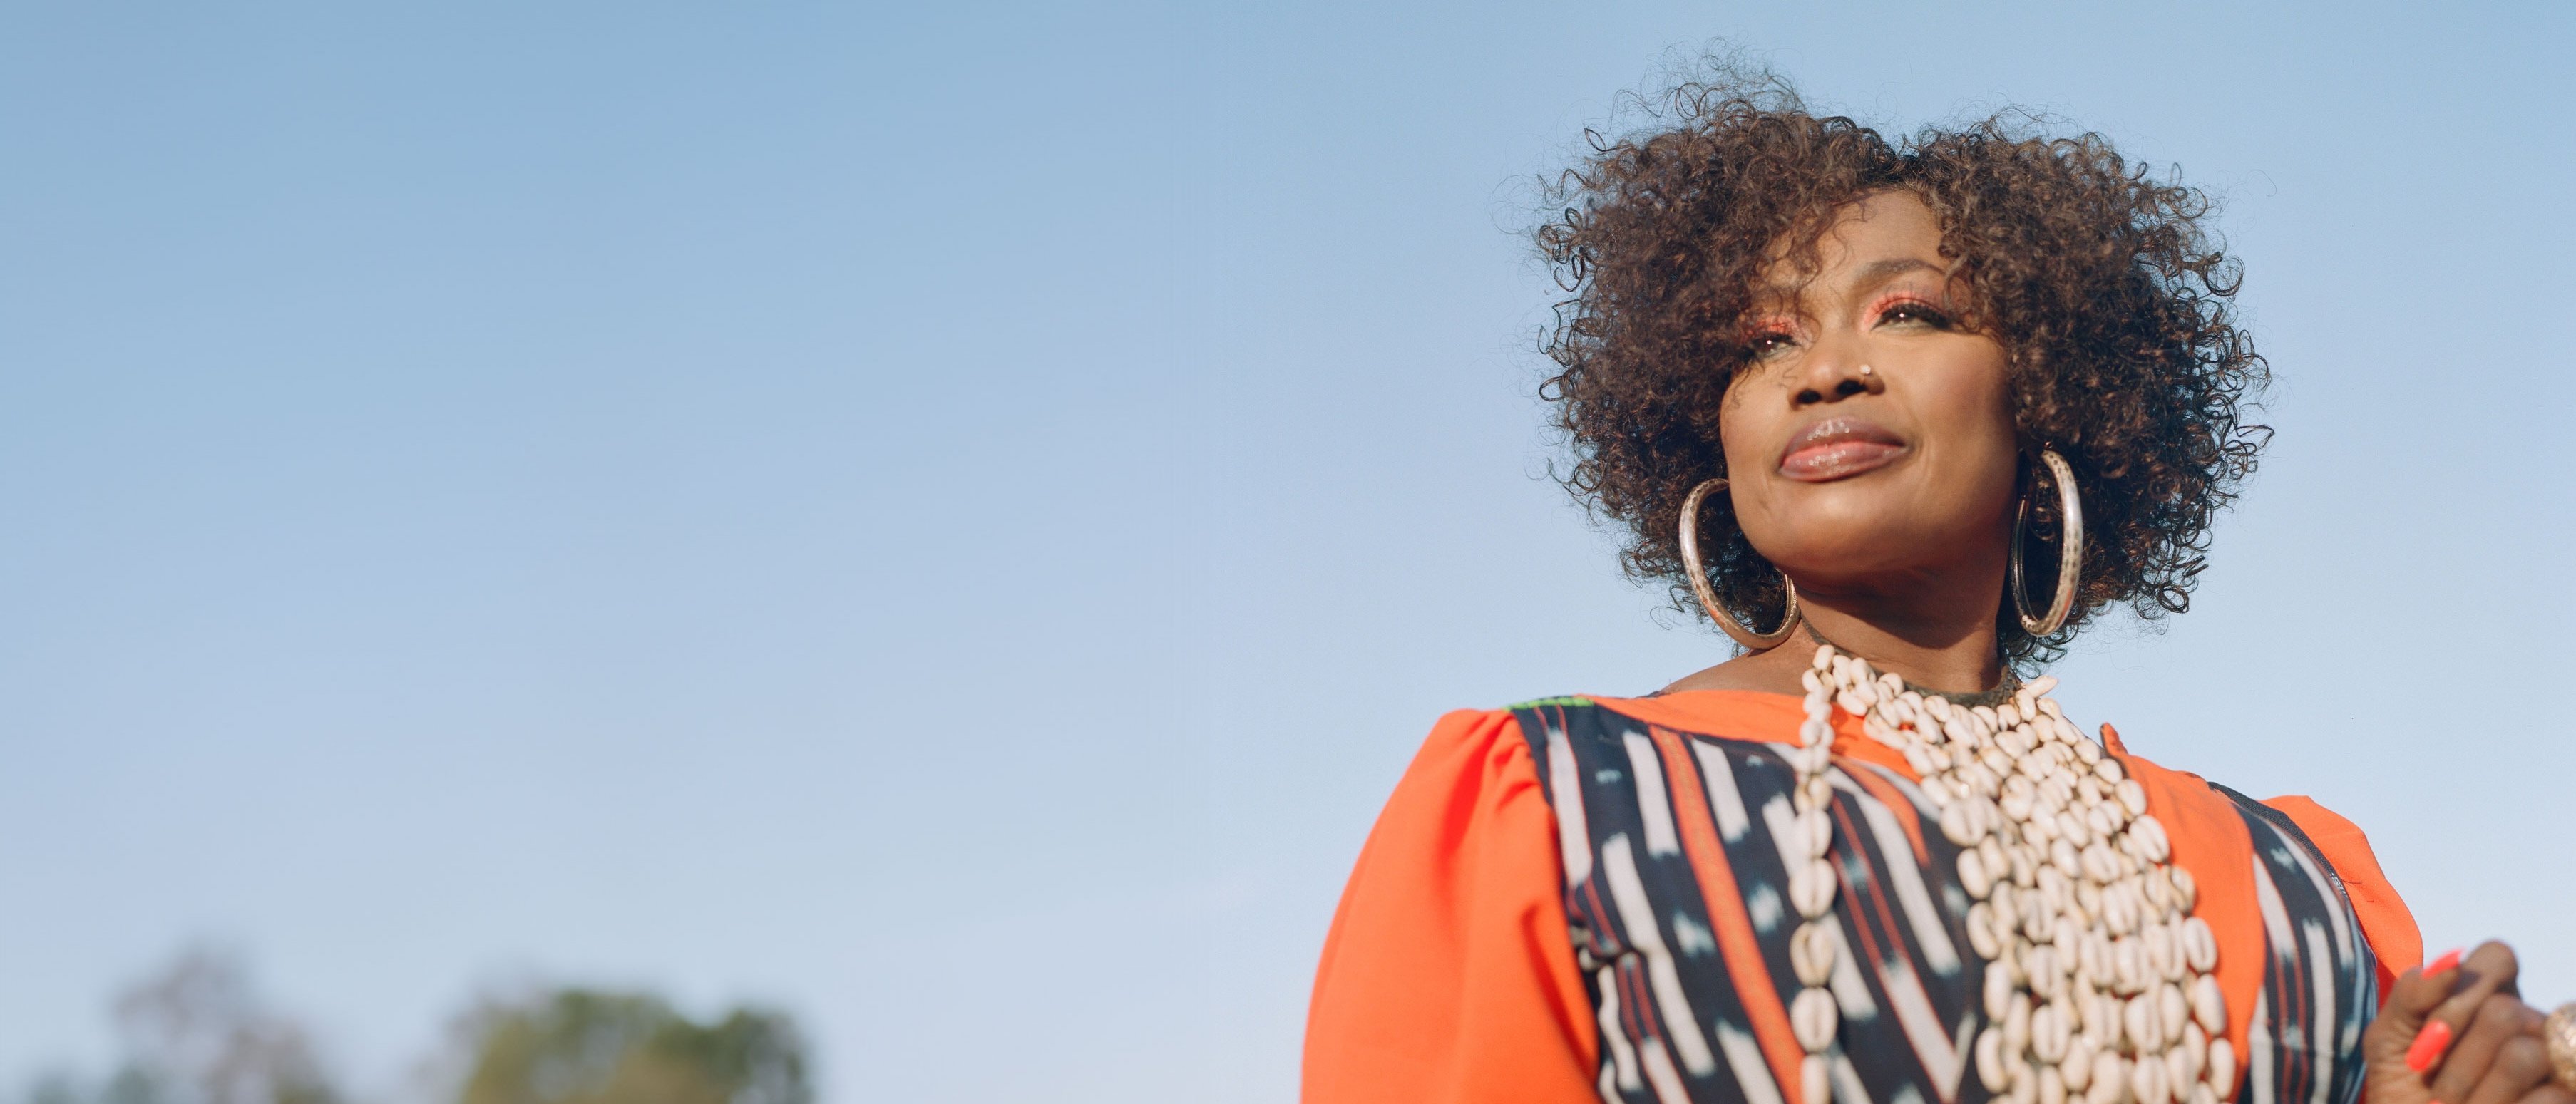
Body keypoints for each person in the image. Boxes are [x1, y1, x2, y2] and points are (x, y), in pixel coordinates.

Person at [1299, 66, 2575, 1104]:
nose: (1826, 372)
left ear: (2053, 393)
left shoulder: (2292, 876)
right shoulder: (1556, 803)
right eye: (1762, 341)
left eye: (1904, 312)